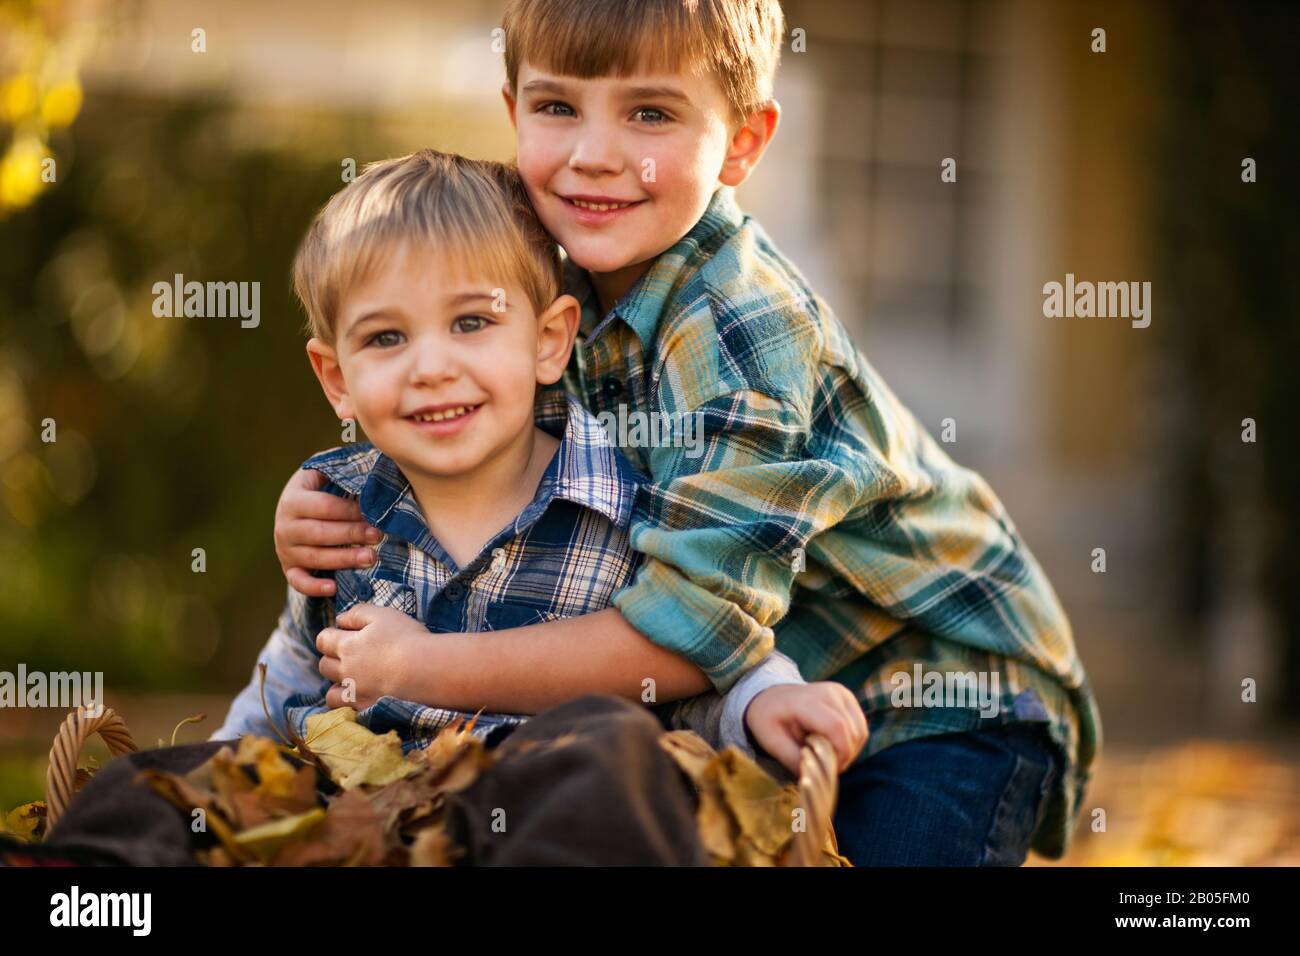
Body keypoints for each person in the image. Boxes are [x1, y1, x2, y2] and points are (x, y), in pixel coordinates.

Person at [272, 0, 1102, 865]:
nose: (595, 155)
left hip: (945, 693)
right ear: (515, 111)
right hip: (779, 695)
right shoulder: (557, 246)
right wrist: (338, 487)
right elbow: (459, 397)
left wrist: (427, 666)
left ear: (743, 141)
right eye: (559, 107)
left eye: (651, 113)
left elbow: (687, 637)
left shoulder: (742, 332)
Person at [214, 148, 868, 778]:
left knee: (610, 748)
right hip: (372, 833)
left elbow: (704, 657)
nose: (433, 368)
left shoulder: (623, 513)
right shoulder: (339, 521)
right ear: (337, 379)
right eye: (387, 338)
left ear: (549, 342)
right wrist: (212, 777)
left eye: (471, 323)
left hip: (553, 829)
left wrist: (766, 699)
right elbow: (288, 679)